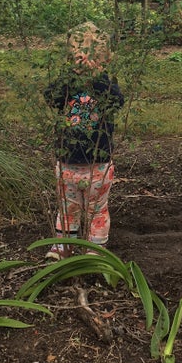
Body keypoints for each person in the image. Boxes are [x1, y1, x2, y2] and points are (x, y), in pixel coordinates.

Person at [43, 22, 125, 259]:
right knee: (68, 208)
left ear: (105, 61)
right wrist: (71, 77)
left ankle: (95, 250)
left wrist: (98, 78)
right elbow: (51, 97)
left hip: (98, 163)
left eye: (94, 60)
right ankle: (63, 247)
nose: (86, 65)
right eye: (78, 59)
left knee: (97, 209)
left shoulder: (106, 84)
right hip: (67, 161)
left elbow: (117, 102)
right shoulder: (66, 83)